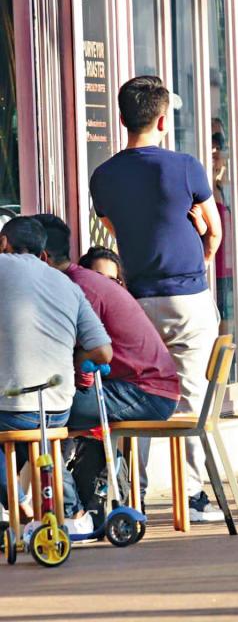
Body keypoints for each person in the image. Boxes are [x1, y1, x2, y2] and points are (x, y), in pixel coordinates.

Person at [89, 75, 226, 522]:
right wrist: (202, 252)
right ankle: (192, 498)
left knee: (138, 392)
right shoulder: (185, 166)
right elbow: (215, 230)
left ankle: (133, 497)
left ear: (122, 118)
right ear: (163, 119)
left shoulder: (104, 176)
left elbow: (112, 227)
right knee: (189, 394)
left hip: (135, 301)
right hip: (187, 296)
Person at [33, 214, 180, 525]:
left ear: (41, 257)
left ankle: (73, 513)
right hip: (140, 386)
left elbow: (70, 350)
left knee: (39, 417)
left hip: (144, 392)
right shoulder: (79, 281)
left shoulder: (79, 288)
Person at [0, 217, 113, 535]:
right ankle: (70, 512)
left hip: (10, 410)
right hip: (57, 406)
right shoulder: (68, 285)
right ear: (43, 253)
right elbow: (103, 352)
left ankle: (19, 502)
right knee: (41, 440)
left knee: (16, 429)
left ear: (4, 242)